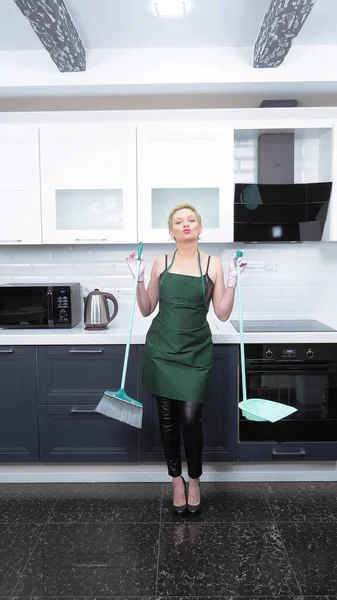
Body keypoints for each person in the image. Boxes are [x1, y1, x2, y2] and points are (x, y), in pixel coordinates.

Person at [126, 203, 247, 516]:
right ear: (171, 231)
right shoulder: (160, 262)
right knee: (167, 421)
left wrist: (232, 282)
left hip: (195, 351)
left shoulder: (214, 263)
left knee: (191, 420)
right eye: (178, 221)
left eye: (191, 219)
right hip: (162, 350)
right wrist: (138, 279)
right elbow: (145, 308)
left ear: (200, 227)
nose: (186, 224)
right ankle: (176, 480)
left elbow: (221, 312)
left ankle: (195, 479)